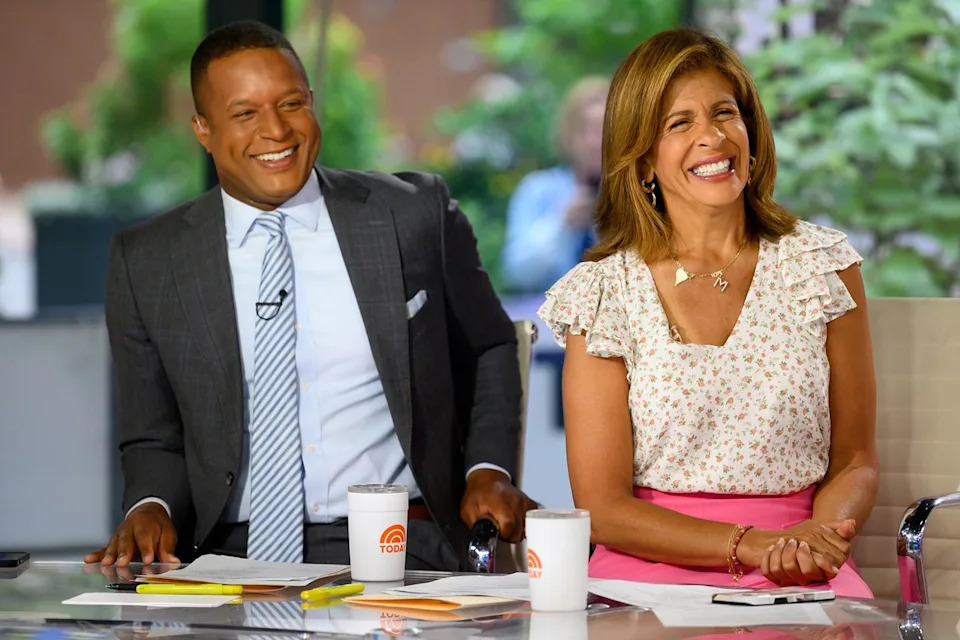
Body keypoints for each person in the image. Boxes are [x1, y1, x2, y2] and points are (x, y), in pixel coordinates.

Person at [84, 20, 536, 570]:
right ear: (203, 129)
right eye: (245, 113)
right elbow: (152, 437)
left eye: (291, 103)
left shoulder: (413, 215)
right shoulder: (148, 259)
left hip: (402, 547)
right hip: (224, 555)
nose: (275, 130)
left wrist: (486, 471)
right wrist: (149, 507)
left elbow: (490, 347)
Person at [538, 28, 878, 595]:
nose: (712, 137)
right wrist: (747, 545)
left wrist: (816, 538)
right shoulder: (603, 292)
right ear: (643, 160)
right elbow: (602, 505)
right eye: (680, 124)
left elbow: (856, 459)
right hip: (643, 575)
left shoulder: (821, 266)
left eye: (725, 113)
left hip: (797, 568)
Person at [500, 77, 608, 293]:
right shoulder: (538, 189)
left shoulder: (642, 191)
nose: (594, 142)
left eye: (604, 129)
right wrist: (563, 224)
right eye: (585, 130)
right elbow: (516, 271)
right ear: (568, 134)